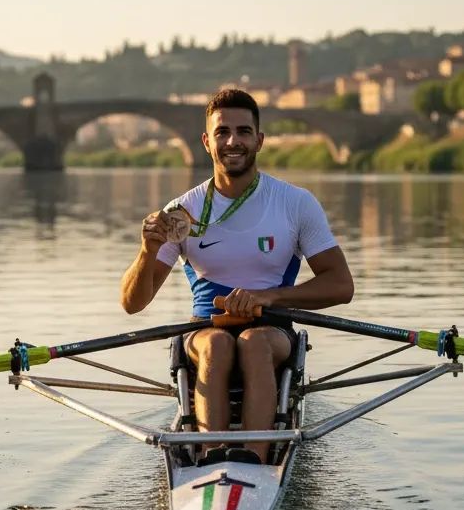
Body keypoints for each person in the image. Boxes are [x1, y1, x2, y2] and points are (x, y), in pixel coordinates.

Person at [120, 88, 354, 465]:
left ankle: (254, 460)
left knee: (253, 343)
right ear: (206, 141)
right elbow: (133, 304)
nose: (233, 141)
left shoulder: (295, 203)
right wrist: (147, 252)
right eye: (222, 132)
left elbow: (341, 285)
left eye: (243, 132)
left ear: (259, 140)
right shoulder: (182, 213)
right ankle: (214, 460)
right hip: (205, 329)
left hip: (271, 329)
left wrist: (269, 298)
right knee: (218, 345)